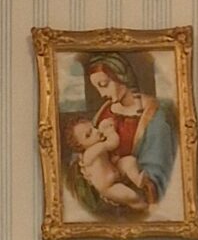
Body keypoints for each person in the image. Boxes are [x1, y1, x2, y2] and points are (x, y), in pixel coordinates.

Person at [67, 51, 177, 215]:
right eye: (97, 88)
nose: (102, 94)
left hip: (137, 190)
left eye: (104, 84)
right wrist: (83, 168)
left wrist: (145, 182)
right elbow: (83, 144)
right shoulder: (106, 110)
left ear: (122, 77)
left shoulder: (154, 117)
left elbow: (160, 164)